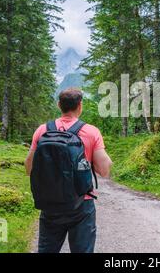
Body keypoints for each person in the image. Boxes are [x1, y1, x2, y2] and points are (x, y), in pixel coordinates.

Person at [24, 87, 112, 253]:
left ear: (59, 105)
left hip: (50, 203)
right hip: (81, 204)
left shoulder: (43, 130)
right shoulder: (91, 132)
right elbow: (105, 170)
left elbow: (29, 168)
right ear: (80, 105)